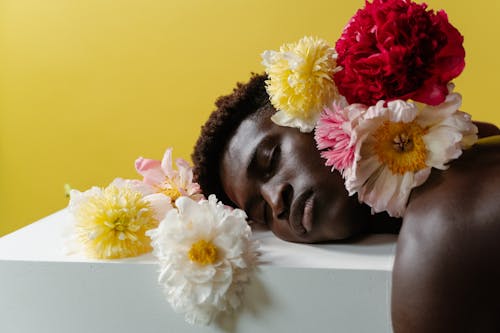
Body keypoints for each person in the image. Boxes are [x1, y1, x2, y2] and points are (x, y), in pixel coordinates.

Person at [192, 73, 500, 332]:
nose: (275, 202)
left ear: (333, 110)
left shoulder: (438, 230)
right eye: (260, 210)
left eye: (271, 158)